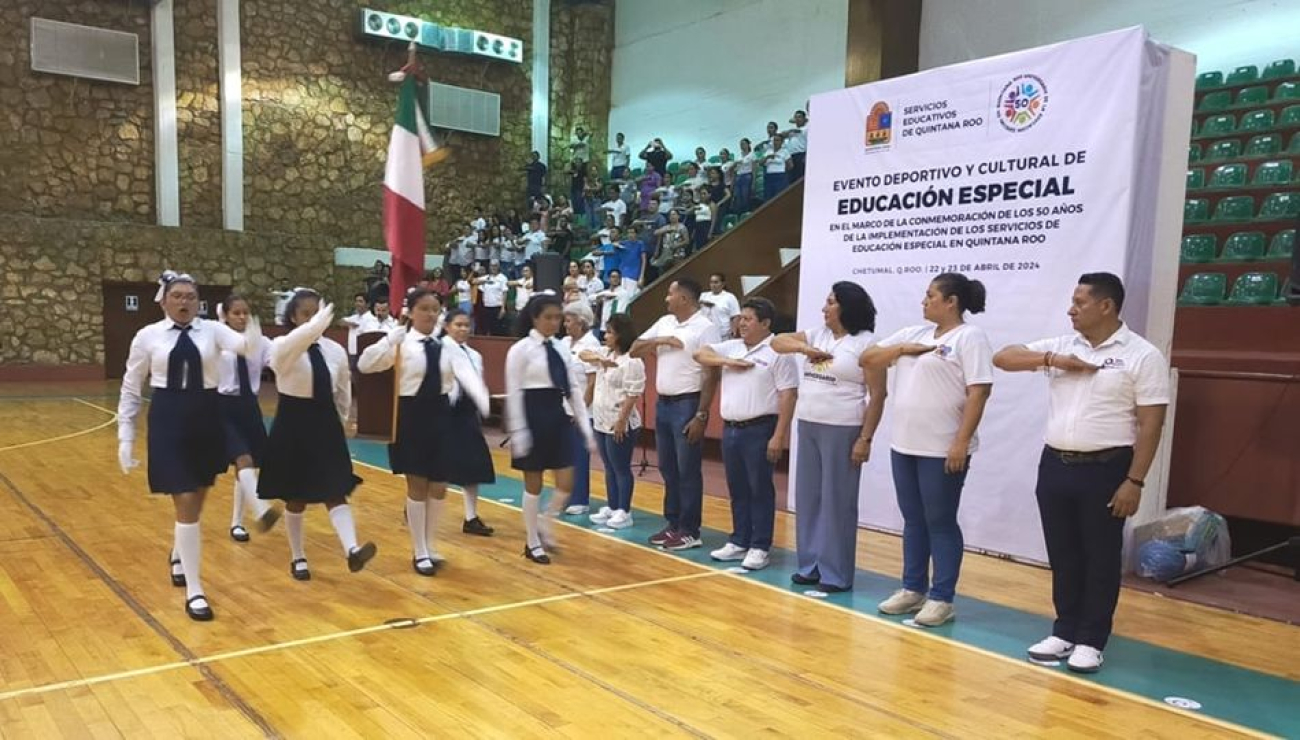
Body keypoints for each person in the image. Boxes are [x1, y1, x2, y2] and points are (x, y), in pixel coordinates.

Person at [992, 272, 1169, 674]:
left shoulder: (1141, 355)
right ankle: (1064, 629)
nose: (1071, 309)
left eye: (1080, 302)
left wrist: (1135, 480)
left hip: (1107, 468)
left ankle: (1092, 639)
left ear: (1106, 306)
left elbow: (1151, 424)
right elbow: (1003, 357)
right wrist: (1052, 360)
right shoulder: (1061, 346)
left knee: (1100, 557)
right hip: (1055, 464)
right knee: (1064, 553)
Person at [117, 270, 262, 622]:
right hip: (169, 417)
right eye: (178, 296)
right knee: (183, 498)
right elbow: (132, 384)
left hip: (207, 415)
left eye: (191, 297)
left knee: (196, 499)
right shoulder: (148, 336)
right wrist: (125, 434)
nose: (184, 302)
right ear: (164, 300)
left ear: (200, 302)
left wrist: (253, 324)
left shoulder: (213, 330)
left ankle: (179, 550)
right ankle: (196, 589)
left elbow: (244, 346)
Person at [862, 273, 993, 626]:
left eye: (931, 295)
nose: (924, 301)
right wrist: (902, 350)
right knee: (913, 519)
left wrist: (961, 442)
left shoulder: (970, 337)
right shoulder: (912, 335)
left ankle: (942, 597)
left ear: (951, 302)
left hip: (943, 448)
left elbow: (979, 392)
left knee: (940, 520)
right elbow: (869, 358)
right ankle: (912, 588)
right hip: (905, 444)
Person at [358, 290, 489, 574]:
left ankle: (430, 544)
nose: (431, 314)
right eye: (425, 309)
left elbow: (466, 376)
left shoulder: (447, 346)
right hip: (410, 417)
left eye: (435, 309)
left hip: (442, 417)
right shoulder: (401, 343)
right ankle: (419, 550)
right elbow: (365, 364)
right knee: (417, 484)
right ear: (411, 312)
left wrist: (482, 399)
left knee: (439, 486)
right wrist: (390, 338)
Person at [773, 281, 886, 592]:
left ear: (847, 307)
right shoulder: (816, 334)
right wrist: (803, 348)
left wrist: (865, 438)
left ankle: (835, 573)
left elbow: (878, 396)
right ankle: (810, 565)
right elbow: (777, 342)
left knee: (838, 501)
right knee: (809, 499)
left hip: (843, 429)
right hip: (808, 424)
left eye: (831, 302)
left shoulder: (866, 344)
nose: (824, 307)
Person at [258, 289, 376, 581]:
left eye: (317, 312)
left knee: (335, 489)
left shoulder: (333, 350)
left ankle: (352, 550)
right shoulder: (282, 345)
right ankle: (298, 556)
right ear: (293, 317)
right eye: (305, 314)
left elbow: (343, 391)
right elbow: (281, 357)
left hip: (325, 424)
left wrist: (341, 422)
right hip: (293, 424)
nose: (312, 319)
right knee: (296, 497)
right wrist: (312, 327)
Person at [694, 298, 798, 571]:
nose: (742, 324)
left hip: (760, 428)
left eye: (749, 319)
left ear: (765, 324)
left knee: (759, 488)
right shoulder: (732, 346)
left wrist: (779, 436)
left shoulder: (778, 351)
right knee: (737, 488)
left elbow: (788, 395)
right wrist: (729, 361)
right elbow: (700, 354)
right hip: (731, 429)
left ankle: (760, 545)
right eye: (741, 318)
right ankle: (739, 539)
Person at [505, 294, 598, 564]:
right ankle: (532, 541)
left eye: (558, 317)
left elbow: (573, 389)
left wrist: (585, 429)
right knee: (533, 485)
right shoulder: (520, 349)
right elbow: (513, 392)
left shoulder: (560, 348)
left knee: (566, 482)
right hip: (531, 414)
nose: (554, 322)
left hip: (556, 414)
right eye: (549, 317)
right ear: (535, 318)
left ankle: (545, 523)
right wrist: (519, 432)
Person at [630, 278, 722, 550]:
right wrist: (662, 340)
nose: (666, 299)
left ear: (684, 297)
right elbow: (635, 348)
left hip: (687, 403)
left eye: (670, 294)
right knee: (668, 467)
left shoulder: (706, 328)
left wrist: (702, 414)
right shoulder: (665, 322)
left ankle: (690, 530)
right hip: (664, 403)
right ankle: (673, 524)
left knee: (687, 469)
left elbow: (711, 373)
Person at [217, 294, 282, 543]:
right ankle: (261, 509)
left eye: (246, 312)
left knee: (249, 464)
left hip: (249, 406)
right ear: (226, 315)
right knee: (242, 457)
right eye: (236, 313)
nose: (242, 317)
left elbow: (275, 360)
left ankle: (236, 523)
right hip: (222, 405)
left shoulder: (260, 341)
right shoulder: (216, 340)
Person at [579, 313, 645, 530]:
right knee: (608, 466)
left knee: (621, 467)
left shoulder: (632, 361)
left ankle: (624, 511)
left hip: (619, 421)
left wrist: (621, 421)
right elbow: (582, 353)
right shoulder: (605, 354)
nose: (605, 335)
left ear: (620, 335)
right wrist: (600, 360)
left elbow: (632, 394)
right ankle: (612, 504)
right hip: (600, 419)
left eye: (610, 332)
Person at [441, 308, 497, 536]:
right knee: (436, 465)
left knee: (473, 464)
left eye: (466, 325)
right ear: (447, 326)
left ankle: (471, 517)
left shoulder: (474, 355)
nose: (463, 329)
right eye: (458, 325)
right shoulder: (439, 349)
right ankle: (417, 503)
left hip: (466, 413)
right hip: (443, 411)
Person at [559, 301, 601, 515]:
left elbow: (593, 382)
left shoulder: (591, 344)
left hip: (584, 410)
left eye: (569, 320)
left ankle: (580, 499)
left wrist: (581, 410)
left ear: (582, 322)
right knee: (565, 454)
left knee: (579, 455)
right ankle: (566, 493)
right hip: (564, 407)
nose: (565, 324)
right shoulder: (565, 342)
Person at [473, 261, 509, 335]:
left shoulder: (502, 277)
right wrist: (485, 281)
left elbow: (505, 292)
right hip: (487, 307)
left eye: (495, 266)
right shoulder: (487, 277)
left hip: (497, 307)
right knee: (488, 328)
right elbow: (473, 281)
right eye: (492, 266)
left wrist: (503, 308)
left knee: (498, 330)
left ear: (498, 267)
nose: (493, 268)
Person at [701, 272, 740, 338]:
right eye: (711, 282)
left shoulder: (729, 297)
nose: (713, 285)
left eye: (716, 282)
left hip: (723, 334)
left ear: (723, 284)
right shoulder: (704, 295)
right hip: (706, 333)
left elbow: (735, 315)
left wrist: (734, 331)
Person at [340, 293, 369, 363]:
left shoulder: (371, 319)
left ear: (368, 304)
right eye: (356, 301)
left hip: (364, 354)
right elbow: (340, 321)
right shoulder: (354, 317)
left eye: (360, 301)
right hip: (352, 353)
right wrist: (350, 324)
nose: (357, 303)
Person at [761, 134, 790, 201]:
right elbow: (760, 163)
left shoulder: (784, 151)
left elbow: (790, 165)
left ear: (781, 142)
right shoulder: (768, 151)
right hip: (769, 176)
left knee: (779, 197)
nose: (775, 142)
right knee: (768, 196)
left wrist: (782, 172)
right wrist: (767, 157)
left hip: (780, 176)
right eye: (774, 140)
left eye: (777, 140)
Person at [782, 110, 809, 182]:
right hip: (791, 156)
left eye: (799, 117)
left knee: (801, 178)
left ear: (804, 119)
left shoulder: (806, 128)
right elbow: (783, 135)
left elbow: (798, 131)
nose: (797, 119)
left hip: (801, 155)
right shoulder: (791, 132)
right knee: (792, 179)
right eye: (796, 117)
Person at [732, 138, 755, 213]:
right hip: (738, 176)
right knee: (738, 197)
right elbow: (735, 168)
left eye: (744, 144)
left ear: (748, 145)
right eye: (741, 144)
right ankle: (739, 213)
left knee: (745, 196)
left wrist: (753, 182)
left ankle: (746, 212)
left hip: (747, 175)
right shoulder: (739, 155)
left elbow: (754, 168)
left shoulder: (752, 155)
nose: (742, 146)